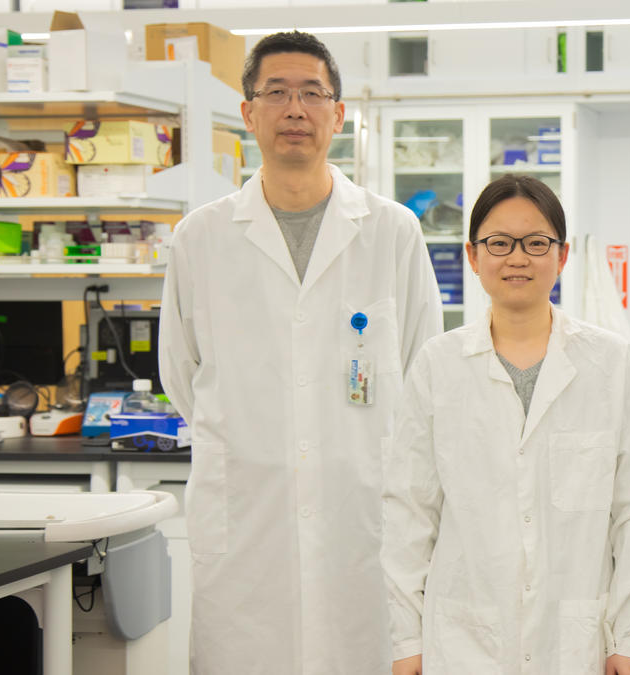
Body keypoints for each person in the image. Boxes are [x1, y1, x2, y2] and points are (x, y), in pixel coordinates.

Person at [158, 31, 443, 674]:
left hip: (363, 515)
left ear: (338, 114)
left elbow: (427, 370)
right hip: (247, 521)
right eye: (277, 92)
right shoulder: (200, 238)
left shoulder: (392, 231)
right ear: (248, 111)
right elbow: (180, 372)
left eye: (313, 93)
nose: (296, 109)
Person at [381, 174, 630, 675]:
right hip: (462, 636)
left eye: (537, 243)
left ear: (561, 257)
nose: (518, 258)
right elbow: (409, 512)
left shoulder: (610, 362)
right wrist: (406, 639)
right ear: (473, 257)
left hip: (576, 638)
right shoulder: (439, 364)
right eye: (499, 243)